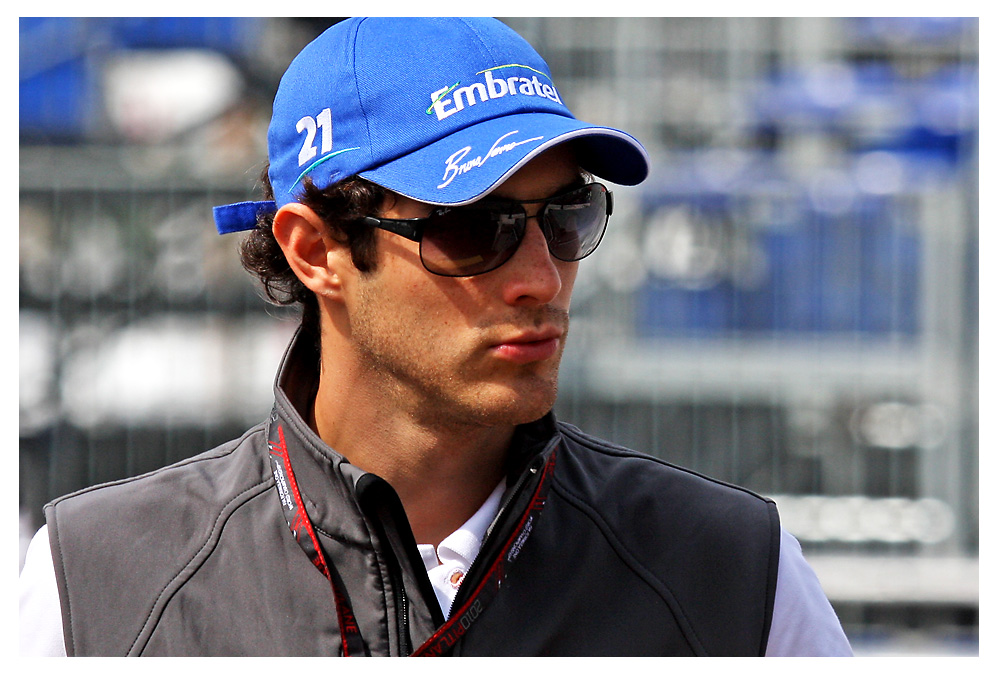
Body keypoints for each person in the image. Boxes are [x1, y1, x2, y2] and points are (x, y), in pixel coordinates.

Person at [19, 17, 853, 657]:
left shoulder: (736, 569)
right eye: (474, 225)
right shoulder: (94, 579)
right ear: (315, 251)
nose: (539, 274)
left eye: (566, 216)